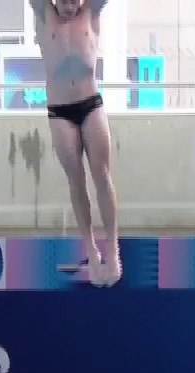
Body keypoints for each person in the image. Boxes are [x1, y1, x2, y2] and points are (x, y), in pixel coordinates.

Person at [29, 0, 121, 287]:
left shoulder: (91, 12)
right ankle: (92, 252)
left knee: (102, 176)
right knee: (76, 181)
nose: (70, 7)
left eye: (74, 1)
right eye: (64, 1)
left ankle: (113, 250)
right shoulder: (44, 13)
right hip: (60, 111)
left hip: (91, 105)